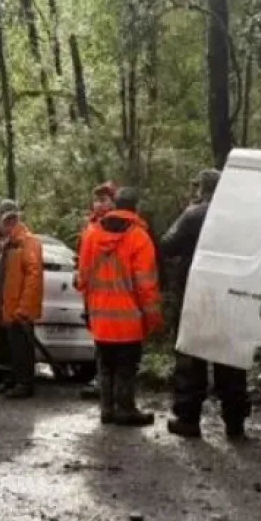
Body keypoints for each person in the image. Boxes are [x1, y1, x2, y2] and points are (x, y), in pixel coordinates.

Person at [160, 170, 250, 439]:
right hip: (233, 294)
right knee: (231, 358)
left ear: (202, 189)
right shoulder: (242, 218)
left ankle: (188, 419)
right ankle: (235, 423)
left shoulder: (194, 214)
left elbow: (167, 245)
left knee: (191, 357)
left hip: (197, 294)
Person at [77, 187, 163, 426]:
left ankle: (107, 409)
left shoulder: (91, 235)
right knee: (126, 367)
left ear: (115, 206)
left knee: (105, 366)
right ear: (136, 207)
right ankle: (125, 408)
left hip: (100, 317)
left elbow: (82, 278)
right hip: (129, 319)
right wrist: (153, 318)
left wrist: (90, 306)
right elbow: (147, 285)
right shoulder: (139, 238)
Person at [0, 200, 43, 398]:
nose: (9, 222)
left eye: (13, 218)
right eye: (5, 218)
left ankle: (25, 384)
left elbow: (34, 276)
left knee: (21, 348)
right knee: (5, 348)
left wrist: (24, 308)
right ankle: (9, 380)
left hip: (18, 307)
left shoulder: (27, 242)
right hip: (1, 305)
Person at [77, 182, 118, 401]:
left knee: (112, 342)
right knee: (98, 337)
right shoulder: (90, 227)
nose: (99, 204)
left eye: (104, 199)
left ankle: (109, 384)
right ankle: (102, 380)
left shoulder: (121, 225)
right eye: (96, 200)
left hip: (115, 293)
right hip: (93, 293)